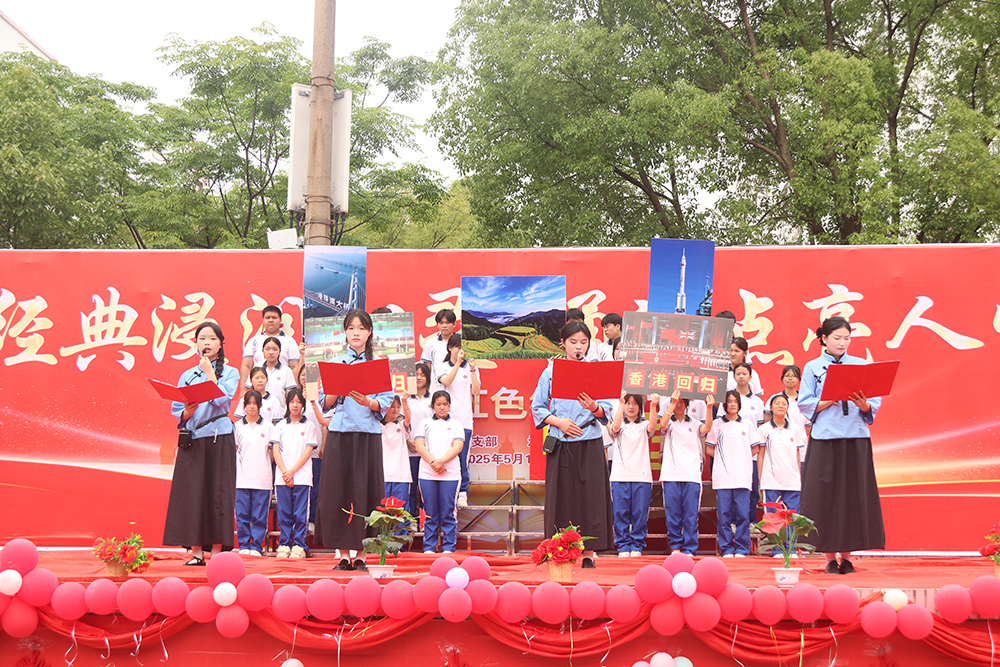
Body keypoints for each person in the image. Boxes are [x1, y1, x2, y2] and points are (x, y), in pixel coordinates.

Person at [797, 317, 884, 575]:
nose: (842, 343)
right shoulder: (813, 367)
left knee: (852, 496)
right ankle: (828, 558)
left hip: (855, 437)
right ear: (824, 338)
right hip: (825, 438)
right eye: (837, 338)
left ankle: (846, 558)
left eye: (847, 338)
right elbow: (804, 403)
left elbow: (873, 402)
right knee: (824, 497)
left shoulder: (860, 364)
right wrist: (828, 398)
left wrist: (864, 404)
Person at [531, 320, 615, 568]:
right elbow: (537, 407)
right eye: (573, 342)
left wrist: (594, 407)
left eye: (583, 342)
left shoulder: (595, 371)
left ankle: (589, 553)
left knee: (592, 497)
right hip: (562, 440)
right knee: (561, 497)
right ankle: (560, 551)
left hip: (590, 440)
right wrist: (559, 422)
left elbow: (606, 411)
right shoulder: (550, 372)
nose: (578, 347)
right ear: (563, 343)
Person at [318, 309, 395, 571]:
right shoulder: (336, 362)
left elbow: (385, 402)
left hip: (367, 434)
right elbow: (325, 403)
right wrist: (335, 388)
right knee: (337, 490)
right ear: (345, 332)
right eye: (351, 328)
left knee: (365, 491)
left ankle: (362, 555)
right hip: (340, 433)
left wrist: (368, 401)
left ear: (370, 332)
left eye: (361, 328)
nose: (356, 333)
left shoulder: (379, 364)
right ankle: (342, 554)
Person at [163, 321, 240, 566]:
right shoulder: (187, 375)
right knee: (193, 493)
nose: (207, 343)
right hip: (193, 439)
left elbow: (223, 401)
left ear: (221, 344)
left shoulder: (231, 372)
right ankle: (196, 551)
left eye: (212, 339)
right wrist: (187, 411)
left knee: (218, 493)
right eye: (202, 338)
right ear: (196, 343)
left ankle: (216, 551)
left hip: (219, 437)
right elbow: (178, 410)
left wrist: (210, 374)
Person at [705, 391, 760, 557]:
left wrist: (741, 458)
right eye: (729, 401)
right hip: (723, 477)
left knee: (743, 514)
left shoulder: (747, 424)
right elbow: (709, 448)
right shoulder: (717, 424)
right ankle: (727, 548)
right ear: (724, 404)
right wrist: (724, 458)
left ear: (739, 404)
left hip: (742, 476)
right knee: (724, 515)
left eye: (735, 401)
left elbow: (755, 448)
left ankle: (742, 548)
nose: (733, 404)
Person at [412, 390, 466, 553]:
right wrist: (433, 463)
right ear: (432, 406)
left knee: (449, 512)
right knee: (430, 511)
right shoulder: (424, 423)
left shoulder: (456, 424)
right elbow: (419, 446)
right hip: (427, 474)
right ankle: (429, 547)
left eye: (445, 404)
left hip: (450, 474)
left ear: (449, 406)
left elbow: (458, 447)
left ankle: (449, 546)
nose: (442, 407)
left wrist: (440, 462)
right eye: (438, 404)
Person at [608, 390, 660, 557]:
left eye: (635, 404)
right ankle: (623, 546)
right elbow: (615, 428)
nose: (631, 407)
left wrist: (653, 405)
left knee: (640, 513)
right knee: (620, 513)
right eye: (628, 403)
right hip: (620, 476)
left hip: (641, 477)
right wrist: (620, 404)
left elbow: (652, 427)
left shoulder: (644, 425)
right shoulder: (619, 425)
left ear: (640, 407)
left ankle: (637, 545)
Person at [270, 388, 317, 559]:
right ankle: (284, 544)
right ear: (288, 404)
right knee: (284, 512)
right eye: (292, 402)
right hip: (282, 478)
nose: (295, 405)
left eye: (298, 402)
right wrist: (285, 472)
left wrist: (292, 472)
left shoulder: (309, 426)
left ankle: (299, 545)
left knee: (300, 513)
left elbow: (308, 451)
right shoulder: (280, 426)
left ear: (303, 405)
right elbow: (275, 451)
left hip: (302, 477)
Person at [660, 390, 708, 556]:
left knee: (690, 514)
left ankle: (689, 548)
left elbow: (707, 428)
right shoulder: (669, 423)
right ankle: (675, 546)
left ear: (687, 405)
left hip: (691, 474)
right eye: (676, 402)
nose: (679, 405)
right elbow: (662, 425)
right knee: (672, 513)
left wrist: (709, 408)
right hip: (671, 474)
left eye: (682, 402)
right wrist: (672, 403)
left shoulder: (695, 423)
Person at [438, 334, 481, 509]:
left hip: (464, 420)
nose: (460, 350)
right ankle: (448, 492)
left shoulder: (472, 368)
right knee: (445, 456)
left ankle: (463, 492)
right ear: (450, 348)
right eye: (457, 347)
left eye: (463, 347)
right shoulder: (442, 366)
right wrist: (457, 364)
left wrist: (472, 370)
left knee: (463, 458)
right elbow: (447, 382)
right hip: (445, 420)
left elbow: (476, 391)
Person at [234, 390, 272, 556]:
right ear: (244, 406)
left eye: (255, 404)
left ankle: (256, 546)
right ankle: (243, 545)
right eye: (248, 404)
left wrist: (264, 465)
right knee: (242, 515)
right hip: (241, 479)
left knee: (259, 516)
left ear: (260, 406)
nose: (251, 407)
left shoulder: (268, 427)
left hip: (262, 479)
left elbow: (273, 452)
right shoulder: (237, 427)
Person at [240, 305, 300, 395]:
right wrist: (243, 391)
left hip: (282, 387)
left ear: (280, 320)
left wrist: (295, 392)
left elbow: (295, 367)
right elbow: (246, 365)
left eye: (274, 318)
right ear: (263, 320)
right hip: (258, 389)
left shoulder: (289, 341)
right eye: (267, 318)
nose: (271, 320)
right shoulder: (254, 340)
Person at [733, 362, 765, 530]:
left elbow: (760, 426)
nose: (741, 376)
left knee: (753, 489)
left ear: (750, 377)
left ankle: (751, 520)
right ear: (734, 376)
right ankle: (733, 521)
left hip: (752, 451)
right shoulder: (729, 400)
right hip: (733, 451)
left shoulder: (757, 402)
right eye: (738, 373)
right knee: (735, 488)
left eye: (744, 373)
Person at [757, 394, 802, 513]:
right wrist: (761, 479)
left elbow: (797, 456)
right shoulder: (764, 429)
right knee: (773, 520)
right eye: (777, 403)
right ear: (771, 407)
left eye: (784, 404)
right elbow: (760, 455)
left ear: (788, 407)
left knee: (792, 519)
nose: (780, 406)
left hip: (792, 482)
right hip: (771, 482)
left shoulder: (795, 429)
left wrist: (798, 477)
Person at [764, 365, 810, 477]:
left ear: (799, 379)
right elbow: (766, 424)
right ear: (782, 379)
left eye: (794, 376)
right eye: (787, 375)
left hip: (800, 451)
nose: (790, 378)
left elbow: (808, 428)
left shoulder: (805, 400)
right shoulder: (775, 399)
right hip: (778, 450)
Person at [404, 363, 434, 518]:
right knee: (411, 487)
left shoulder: (434, 398)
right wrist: (407, 440)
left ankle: (424, 521)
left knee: (425, 490)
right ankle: (409, 520)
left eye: (422, 374)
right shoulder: (405, 398)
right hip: (409, 451)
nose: (419, 377)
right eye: (416, 374)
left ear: (428, 378)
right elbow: (399, 421)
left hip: (428, 453)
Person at [381, 396, 411, 507]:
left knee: (400, 511)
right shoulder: (377, 426)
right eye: (392, 407)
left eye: (398, 407)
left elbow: (408, 418)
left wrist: (404, 401)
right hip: (383, 475)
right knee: (383, 511)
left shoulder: (402, 426)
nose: (396, 410)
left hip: (401, 475)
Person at [258, 336, 297, 415]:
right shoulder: (257, 369)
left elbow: (290, 395)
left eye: (275, 349)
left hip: (281, 413)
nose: (271, 352)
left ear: (280, 351)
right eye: (267, 349)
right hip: (259, 414)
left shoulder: (286, 371)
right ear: (263, 351)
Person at [420, 309, 456, 393]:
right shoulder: (430, 343)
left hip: (457, 388)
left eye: (447, 322)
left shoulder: (461, 343)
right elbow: (427, 368)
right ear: (437, 324)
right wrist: (426, 388)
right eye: (441, 323)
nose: (444, 326)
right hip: (436, 389)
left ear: (454, 324)